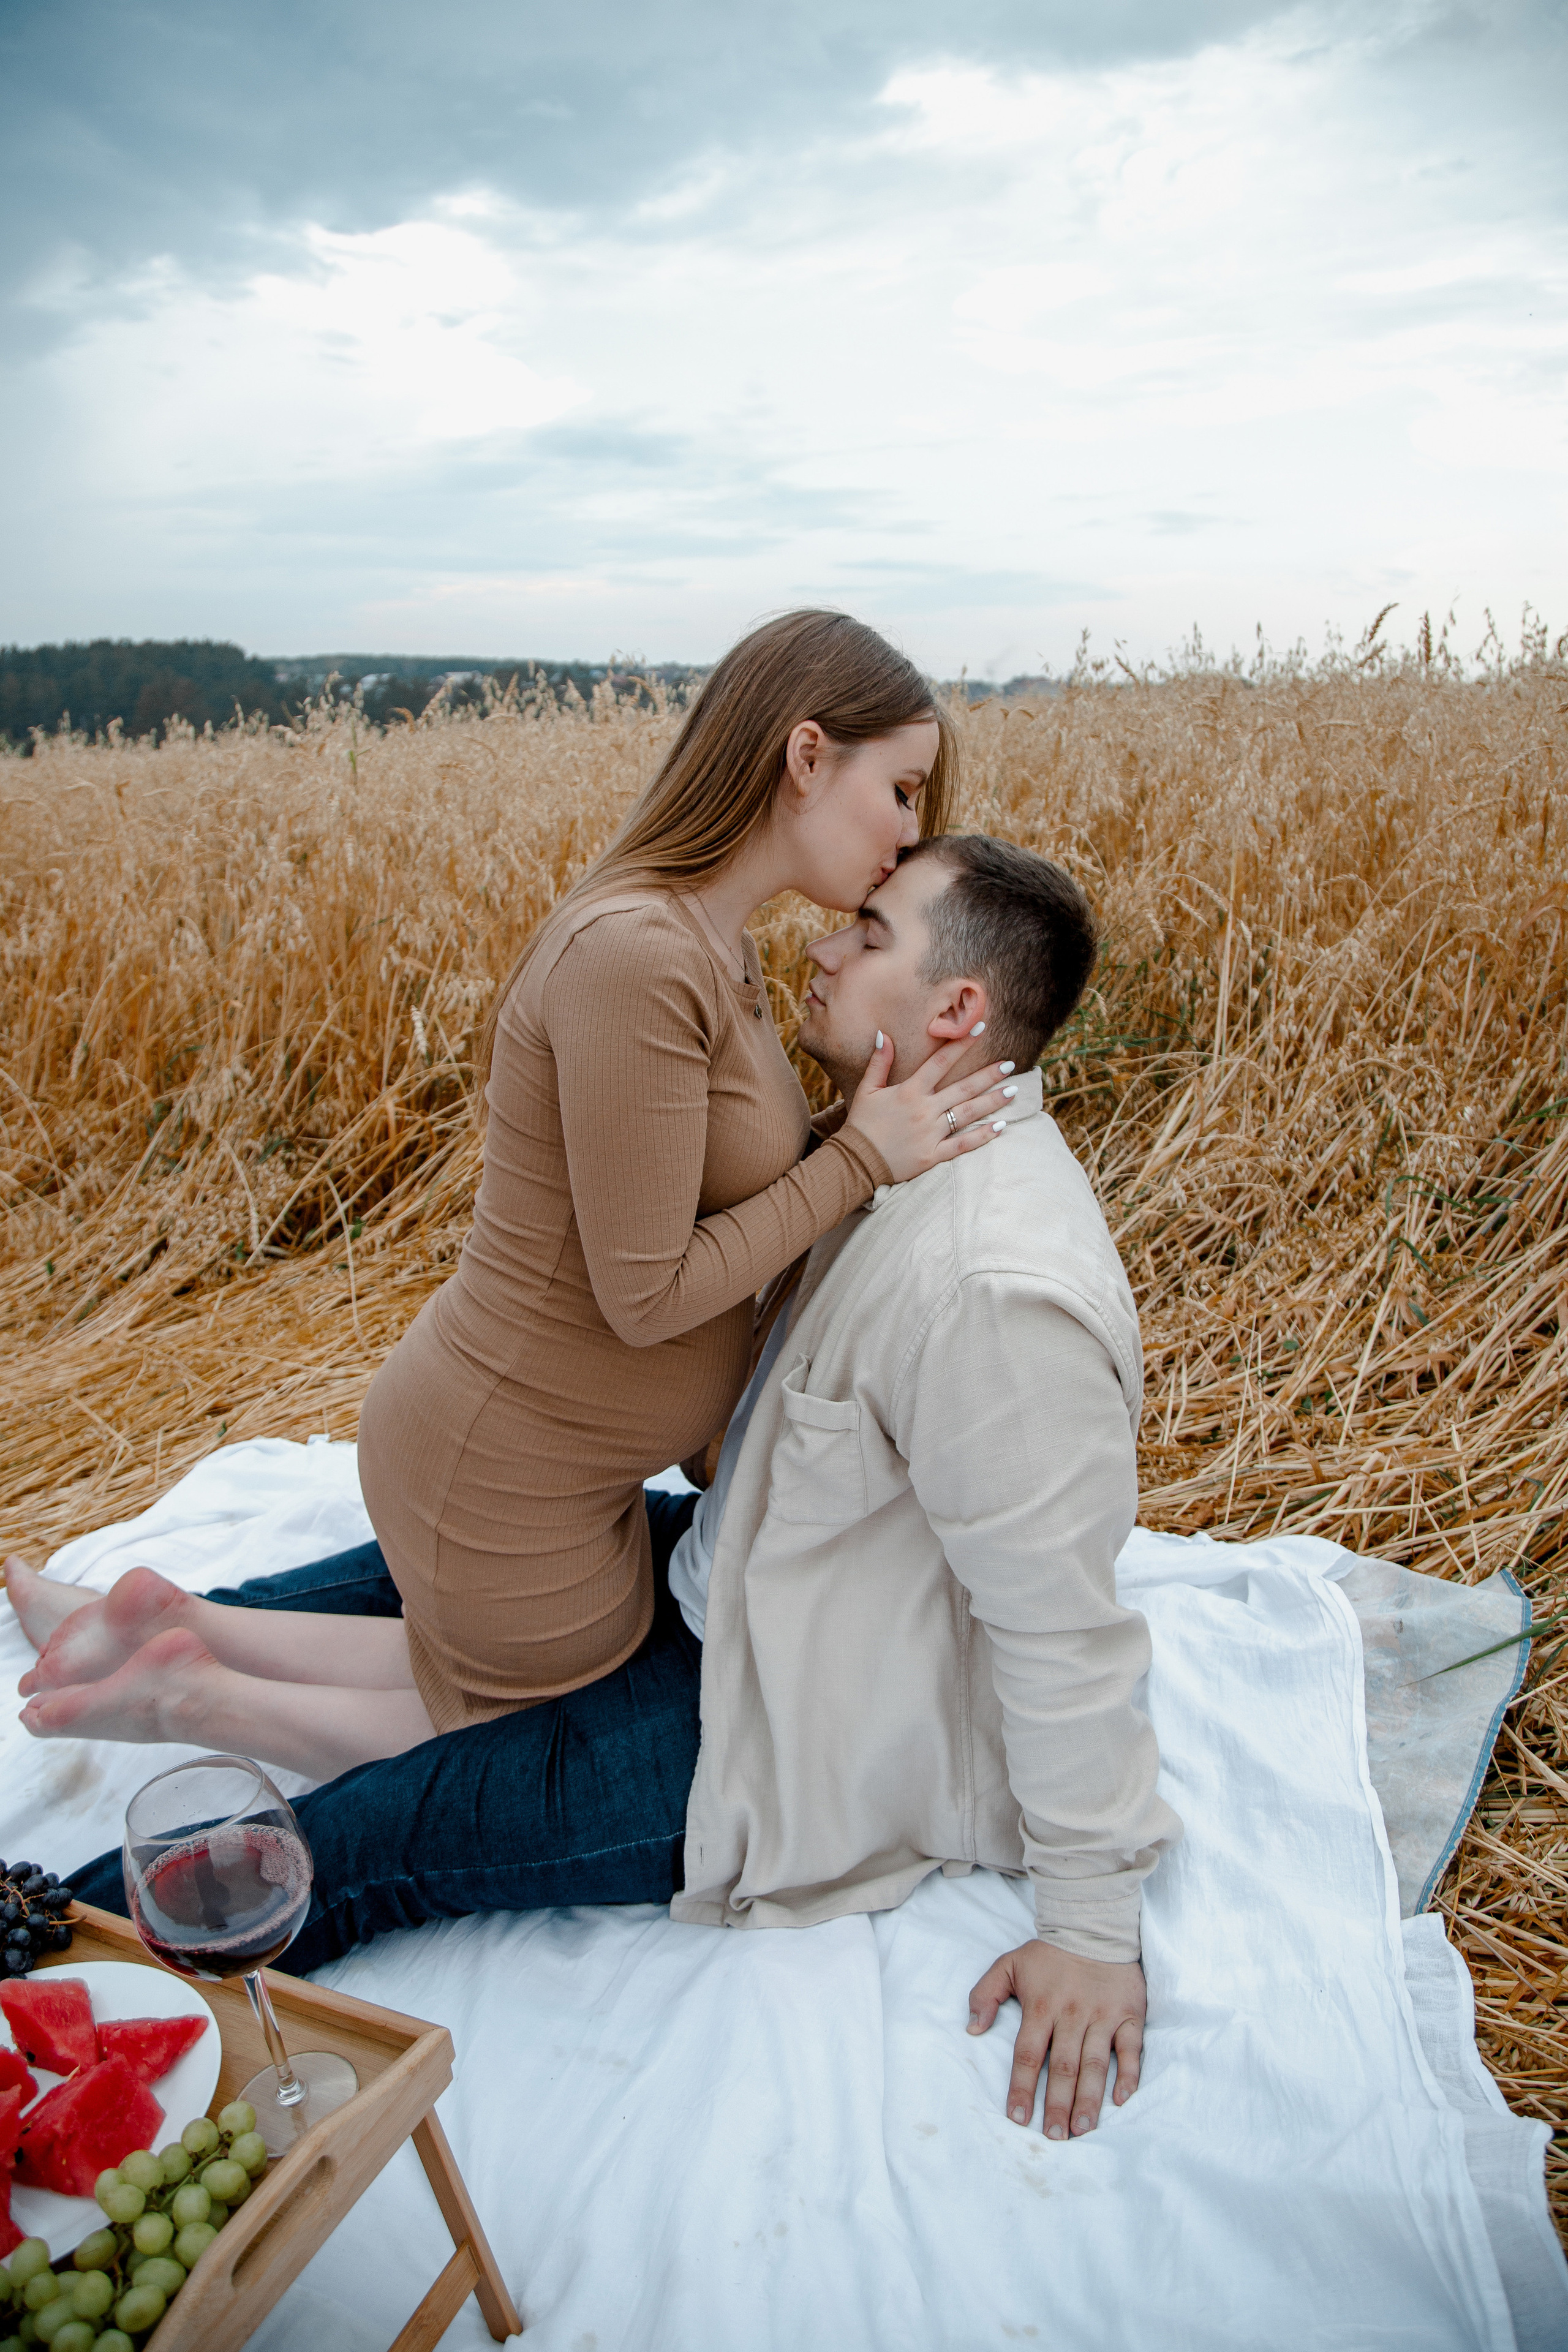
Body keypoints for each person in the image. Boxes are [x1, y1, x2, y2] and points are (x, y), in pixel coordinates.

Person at [17, 833, 1178, 2141]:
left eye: (867, 933)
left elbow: (1063, 1630)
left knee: (366, 1838)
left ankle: (35, 1968)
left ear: (956, 1010)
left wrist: (1091, 1930)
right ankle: (163, 1626)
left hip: (778, 1716)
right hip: (767, 1576)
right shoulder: (904, 1146)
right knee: (478, 1536)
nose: (821, 945)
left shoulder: (993, 1292)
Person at [6, 611, 1014, 1774]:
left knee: (473, 1666)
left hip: (553, 1459)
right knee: (509, 1726)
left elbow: (713, 1187)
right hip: (506, 1466)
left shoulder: (716, 944)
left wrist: (867, 1135)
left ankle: (172, 1626)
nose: (911, 831)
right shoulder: (637, 957)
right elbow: (647, 1293)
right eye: (901, 790)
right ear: (805, 757)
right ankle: (192, 1699)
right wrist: (858, 1161)